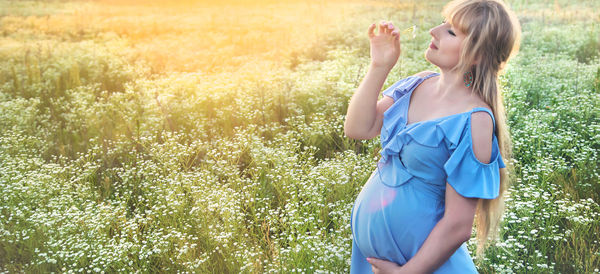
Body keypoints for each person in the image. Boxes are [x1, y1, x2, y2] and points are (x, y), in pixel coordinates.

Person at [343, 0, 521, 273]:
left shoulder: (475, 121)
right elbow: (358, 128)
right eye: (443, 23)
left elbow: (457, 225)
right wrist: (379, 66)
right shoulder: (417, 84)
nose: (434, 31)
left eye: (451, 31)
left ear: (477, 55)